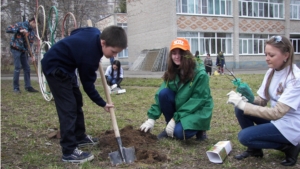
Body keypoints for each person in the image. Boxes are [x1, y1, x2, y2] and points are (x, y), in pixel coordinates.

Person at [41, 25, 127, 163]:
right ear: (103, 43)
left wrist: (75, 48)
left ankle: (79, 136)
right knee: (68, 108)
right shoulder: (90, 56)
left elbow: (75, 31)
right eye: (113, 51)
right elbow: (88, 86)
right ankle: (69, 152)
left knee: (77, 101)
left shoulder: (94, 32)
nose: (115, 55)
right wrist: (103, 103)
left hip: (68, 67)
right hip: (55, 66)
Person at [226, 36, 300, 166]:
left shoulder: (295, 79)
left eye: (271, 55)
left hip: (290, 125)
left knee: (244, 137)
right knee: (240, 109)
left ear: (286, 55)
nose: (267, 58)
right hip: (277, 120)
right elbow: (262, 100)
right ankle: (255, 150)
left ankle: (289, 146)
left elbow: (277, 113)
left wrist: (244, 105)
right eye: (266, 54)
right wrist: (247, 98)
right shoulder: (271, 71)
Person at [140, 38, 213, 141]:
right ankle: (170, 127)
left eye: (181, 53)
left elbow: (197, 101)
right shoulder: (172, 71)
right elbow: (161, 94)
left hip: (197, 110)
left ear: (187, 54)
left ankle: (200, 129)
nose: (177, 56)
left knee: (180, 133)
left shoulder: (200, 74)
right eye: (174, 53)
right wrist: (151, 118)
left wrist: (175, 119)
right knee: (164, 93)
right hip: (182, 108)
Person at [6, 17, 39, 93]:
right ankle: (16, 88)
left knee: (27, 68)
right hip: (16, 48)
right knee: (17, 67)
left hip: (23, 50)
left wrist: (32, 55)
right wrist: (19, 30)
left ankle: (28, 87)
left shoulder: (32, 32)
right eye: (36, 24)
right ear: (33, 21)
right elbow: (8, 29)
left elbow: (29, 44)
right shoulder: (20, 24)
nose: (36, 26)